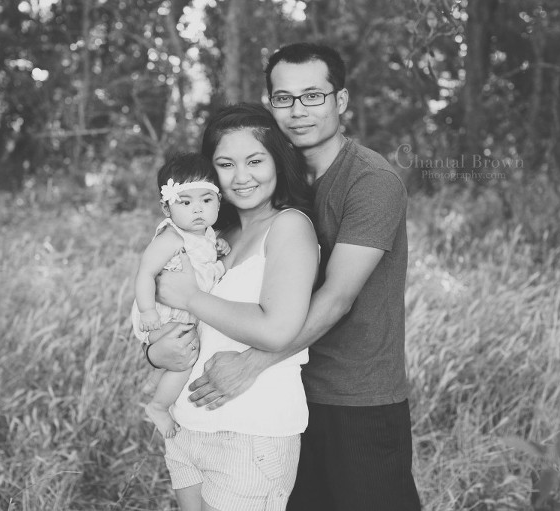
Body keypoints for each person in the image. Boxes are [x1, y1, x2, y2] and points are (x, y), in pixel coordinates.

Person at [156, 42, 421, 510]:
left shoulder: (370, 181)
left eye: (313, 96)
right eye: (284, 98)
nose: (298, 111)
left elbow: (338, 297)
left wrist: (253, 363)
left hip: (354, 395)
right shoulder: (258, 192)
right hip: (283, 398)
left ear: (340, 100)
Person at [153, 103, 319, 511]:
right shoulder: (214, 235)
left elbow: (277, 329)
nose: (242, 177)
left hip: (250, 433)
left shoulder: (289, 227)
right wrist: (155, 350)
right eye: (226, 164)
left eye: (255, 160)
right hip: (188, 426)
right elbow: (173, 317)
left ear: (278, 161)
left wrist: (192, 297)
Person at [130, 152, 228, 438]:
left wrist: (217, 245)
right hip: (162, 314)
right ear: (166, 207)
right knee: (186, 356)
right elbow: (145, 273)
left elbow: (204, 257)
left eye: (206, 201)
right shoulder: (170, 238)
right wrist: (148, 311)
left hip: (186, 308)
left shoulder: (207, 235)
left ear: (218, 202)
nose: (197, 210)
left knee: (182, 355)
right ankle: (159, 405)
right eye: (186, 202)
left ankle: (156, 380)